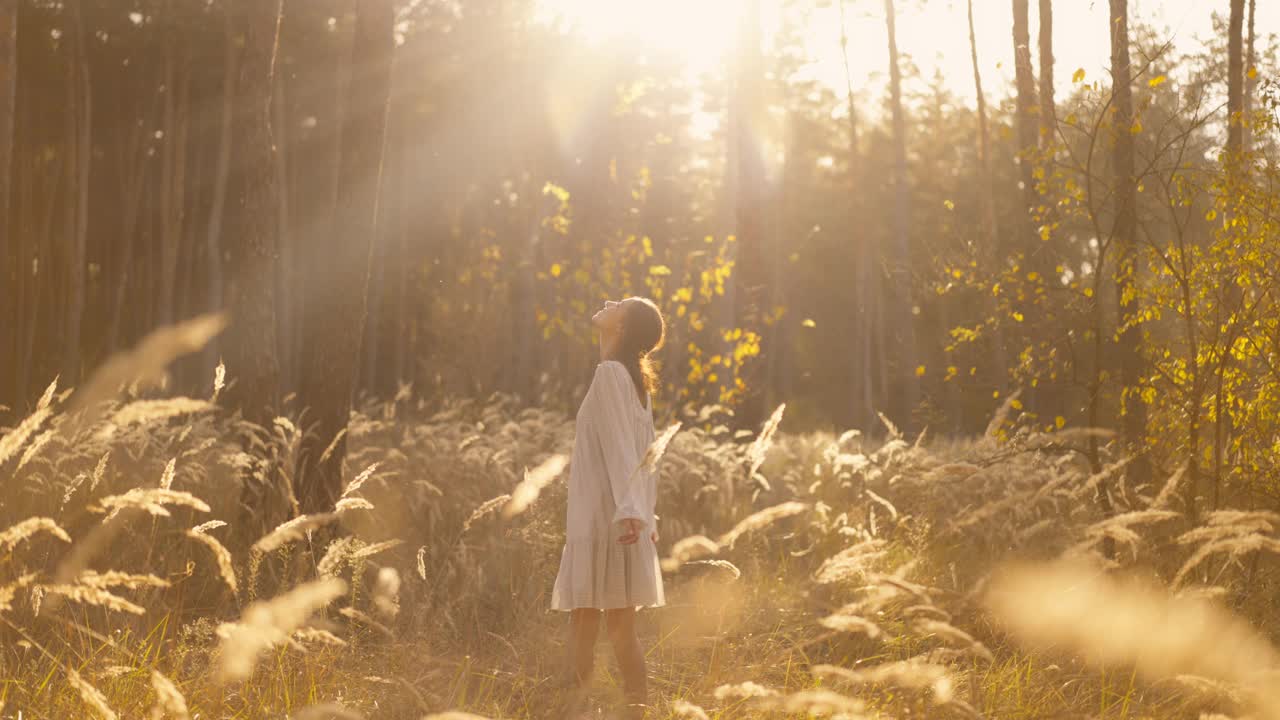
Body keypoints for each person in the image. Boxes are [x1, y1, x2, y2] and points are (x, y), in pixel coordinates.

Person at [551, 296, 667, 720]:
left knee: (586, 625)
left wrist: (631, 510)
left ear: (623, 327)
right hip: (622, 516)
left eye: (620, 304)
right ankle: (637, 712)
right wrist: (640, 510)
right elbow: (645, 455)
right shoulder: (634, 383)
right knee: (620, 631)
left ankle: (574, 710)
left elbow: (624, 449)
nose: (608, 301)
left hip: (607, 518)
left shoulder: (610, 375)